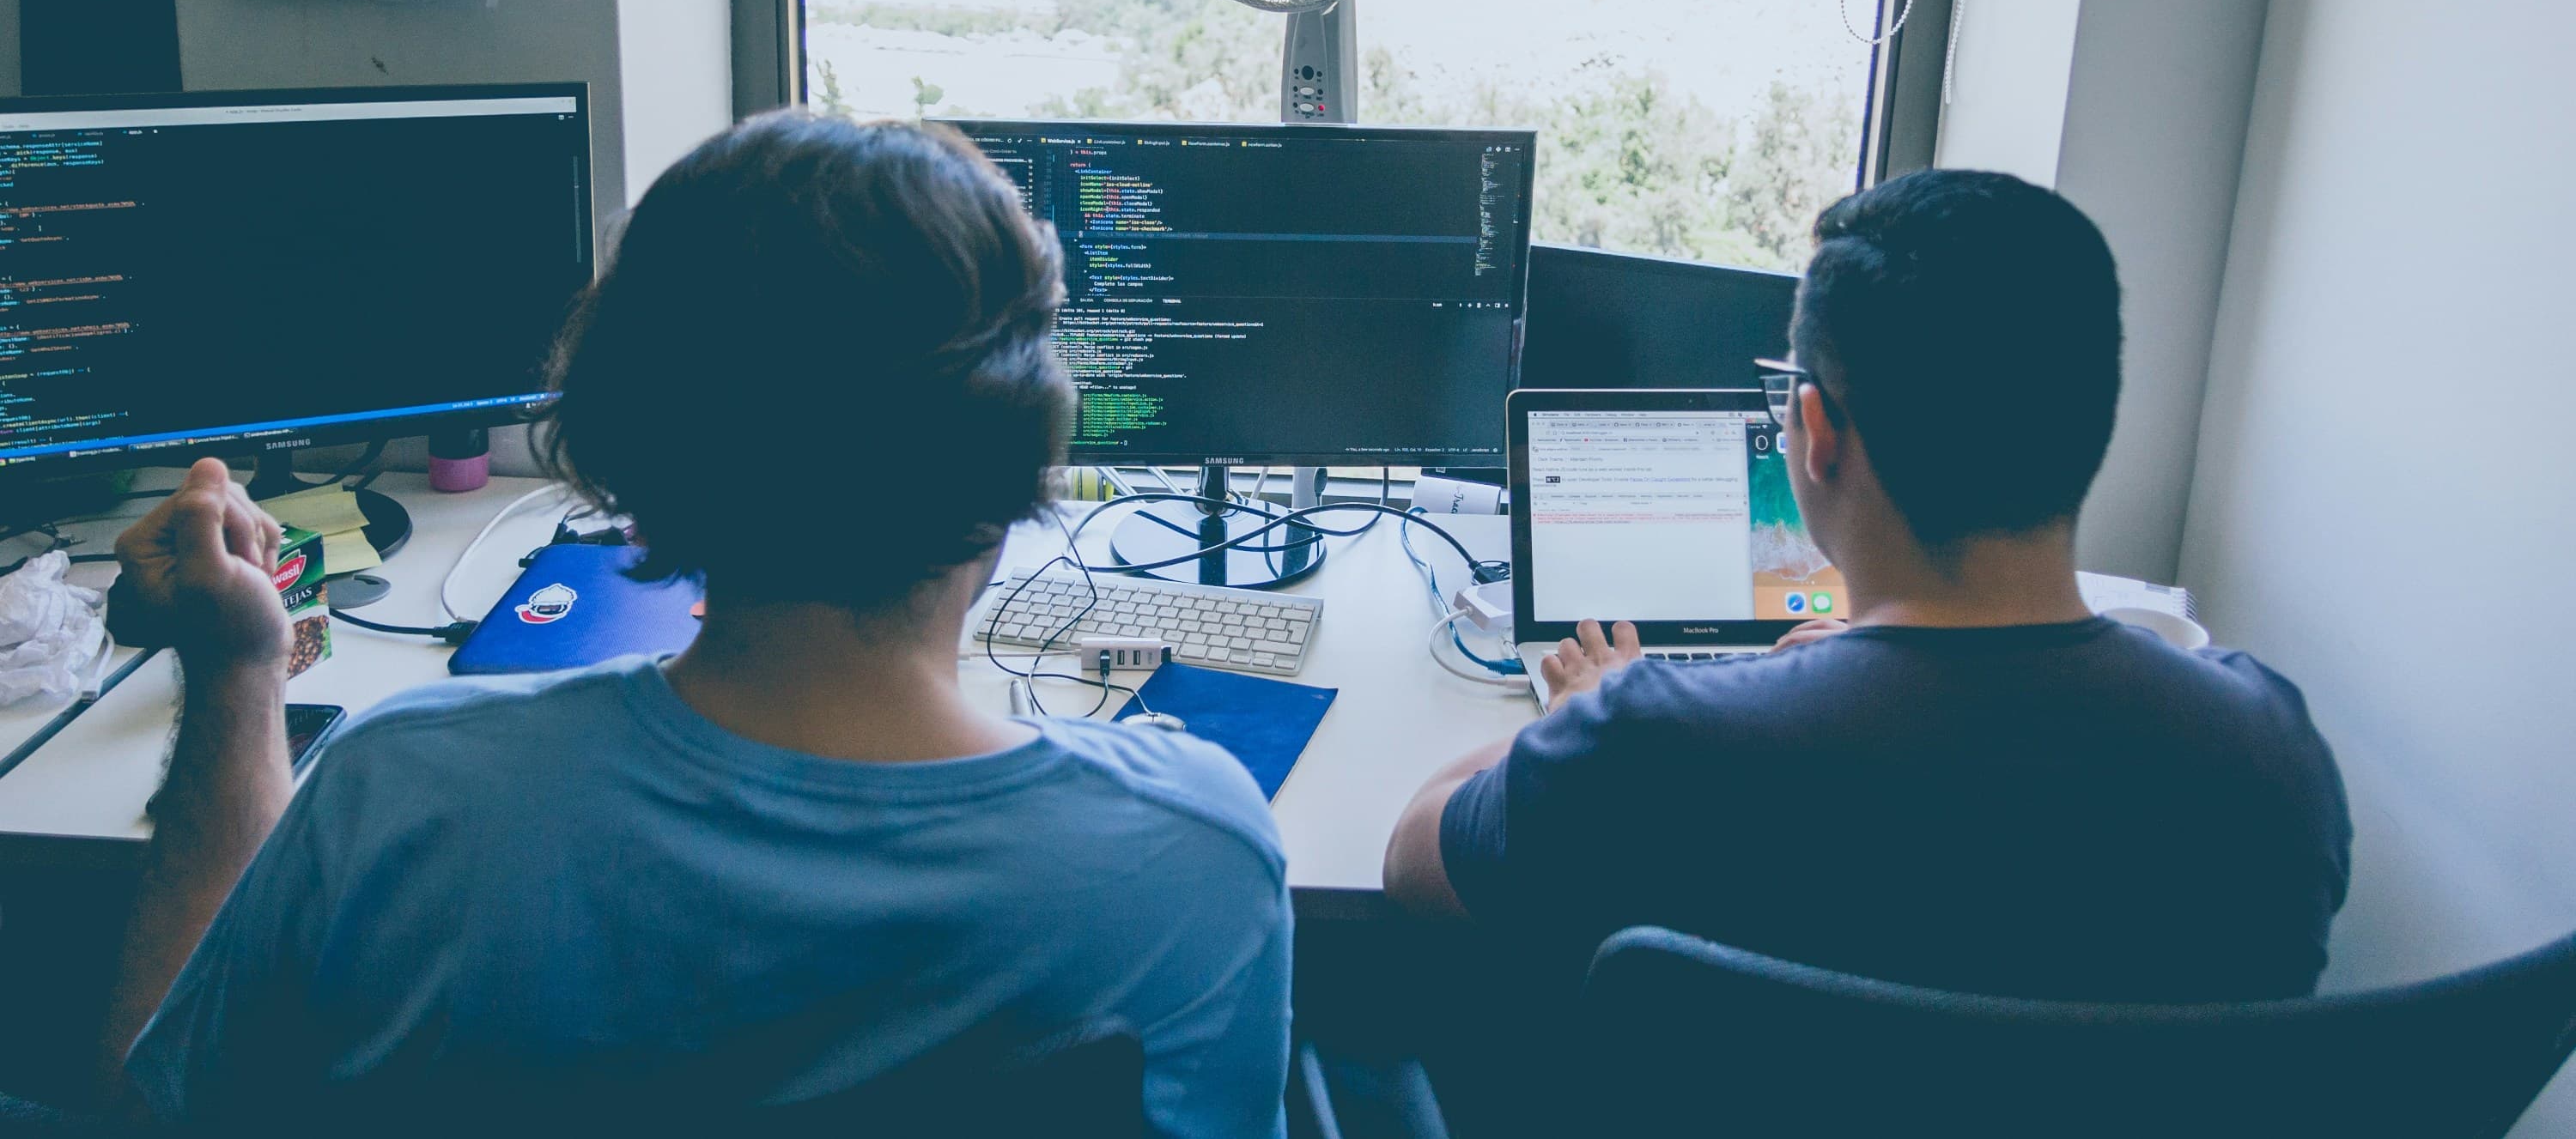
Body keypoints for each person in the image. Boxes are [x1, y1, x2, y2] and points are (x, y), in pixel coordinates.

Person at [97, 113, 1293, 1133]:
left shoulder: (402, 799)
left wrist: (240, 667)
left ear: (629, 445)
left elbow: (171, 1102)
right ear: (1023, 454)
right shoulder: (1193, 855)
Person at [1383, 169, 2350, 1009]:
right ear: (2094, 417)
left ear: (1817, 432)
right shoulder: (2273, 757)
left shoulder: (1646, 745)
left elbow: (1414, 856)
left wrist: (1581, 714)